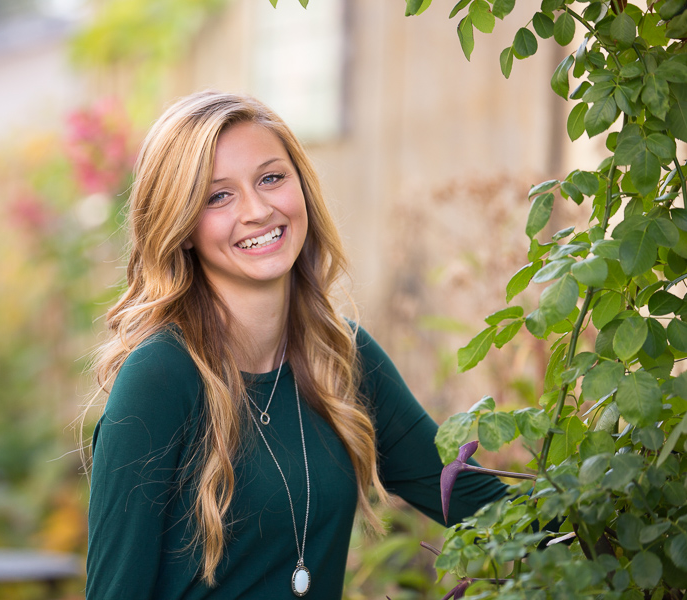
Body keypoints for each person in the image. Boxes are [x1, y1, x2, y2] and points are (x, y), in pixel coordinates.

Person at [81, 91, 507, 599]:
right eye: (218, 196)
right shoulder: (160, 376)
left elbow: (481, 503)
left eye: (271, 178)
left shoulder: (339, 354)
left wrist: (609, 509)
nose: (258, 210)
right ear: (182, 228)